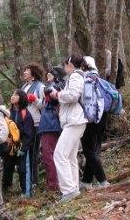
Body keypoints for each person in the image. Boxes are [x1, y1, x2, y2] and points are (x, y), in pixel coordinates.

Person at [50, 54, 88, 203]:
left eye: (66, 65)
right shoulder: (76, 77)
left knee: (59, 155)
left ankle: (68, 190)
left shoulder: (76, 76)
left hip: (75, 120)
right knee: (70, 156)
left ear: (70, 64)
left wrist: (57, 94)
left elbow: (73, 95)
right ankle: (74, 188)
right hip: (74, 120)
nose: (65, 68)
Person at [79, 56, 110, 190]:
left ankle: (103, 181)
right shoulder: (98, 78)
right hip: (103, 116)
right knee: (94, 149)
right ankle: (86, 181)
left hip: (90, 118)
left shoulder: (84, 79)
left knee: (89, 151)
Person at [2, 90, 35, 198]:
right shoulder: (9, 113)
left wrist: (24, 148)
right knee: (7, 167)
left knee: (23, 169)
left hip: (22, 146)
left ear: (22, 98)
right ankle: (6, 189)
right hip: (10, 146)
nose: (12, 96)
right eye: (12, 94)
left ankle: (26, 192)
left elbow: (29, 134)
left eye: (16, 95)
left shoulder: (25, 113)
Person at [38, 66, 65, 192]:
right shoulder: (52, 87)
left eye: (50, 74)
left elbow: (56, 94)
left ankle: (53, 184)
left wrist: (50, 91)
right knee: (51, 153)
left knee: (48, 154)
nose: (47, 77)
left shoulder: (56, 86)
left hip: (51, 123)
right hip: (50, 123)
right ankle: (55, 183)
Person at [21, 62, 45, 186]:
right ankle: (25, 180)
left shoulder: (40, 87)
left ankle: (34, 181)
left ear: (33, 74)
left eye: (27, 70)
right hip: (23, 123)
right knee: (24, 151)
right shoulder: (23, 87)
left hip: (35, 123)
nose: (24, 72)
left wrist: (35, 100)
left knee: (34, 152)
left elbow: (44, 104)